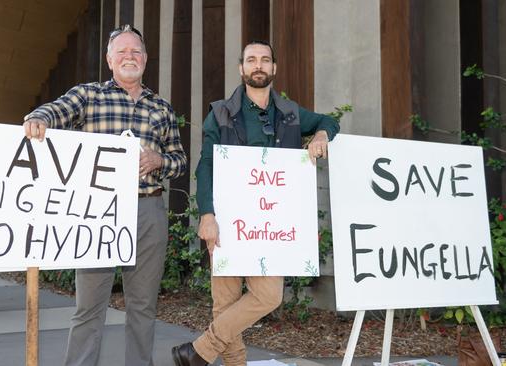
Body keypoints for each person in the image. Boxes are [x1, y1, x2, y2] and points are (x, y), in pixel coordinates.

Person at [23, 24, 186, 366]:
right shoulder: (89, 95)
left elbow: (179, 160)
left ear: (145, 59)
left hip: (148, 210)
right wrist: (39, 117)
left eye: (136, 51)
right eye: (122, 51)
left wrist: (159, 161)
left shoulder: (162, 108)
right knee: (89, 306)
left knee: (143, 306)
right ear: (109, 59)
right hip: (99, 214)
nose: (130, 56)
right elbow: (56, 110)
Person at [171, 41, 340, 366]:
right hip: (226, 222)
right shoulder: (220, 112)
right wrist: (206, 215)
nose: (258, 65)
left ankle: (198, 352)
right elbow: (205, 165)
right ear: (242, 68)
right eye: (251, 60)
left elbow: (329, 121)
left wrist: (320, 136)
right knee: (225, 305)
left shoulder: (290, 113)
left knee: (268, 296)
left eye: (265, 60)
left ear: (273, 68)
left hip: (269, 228)